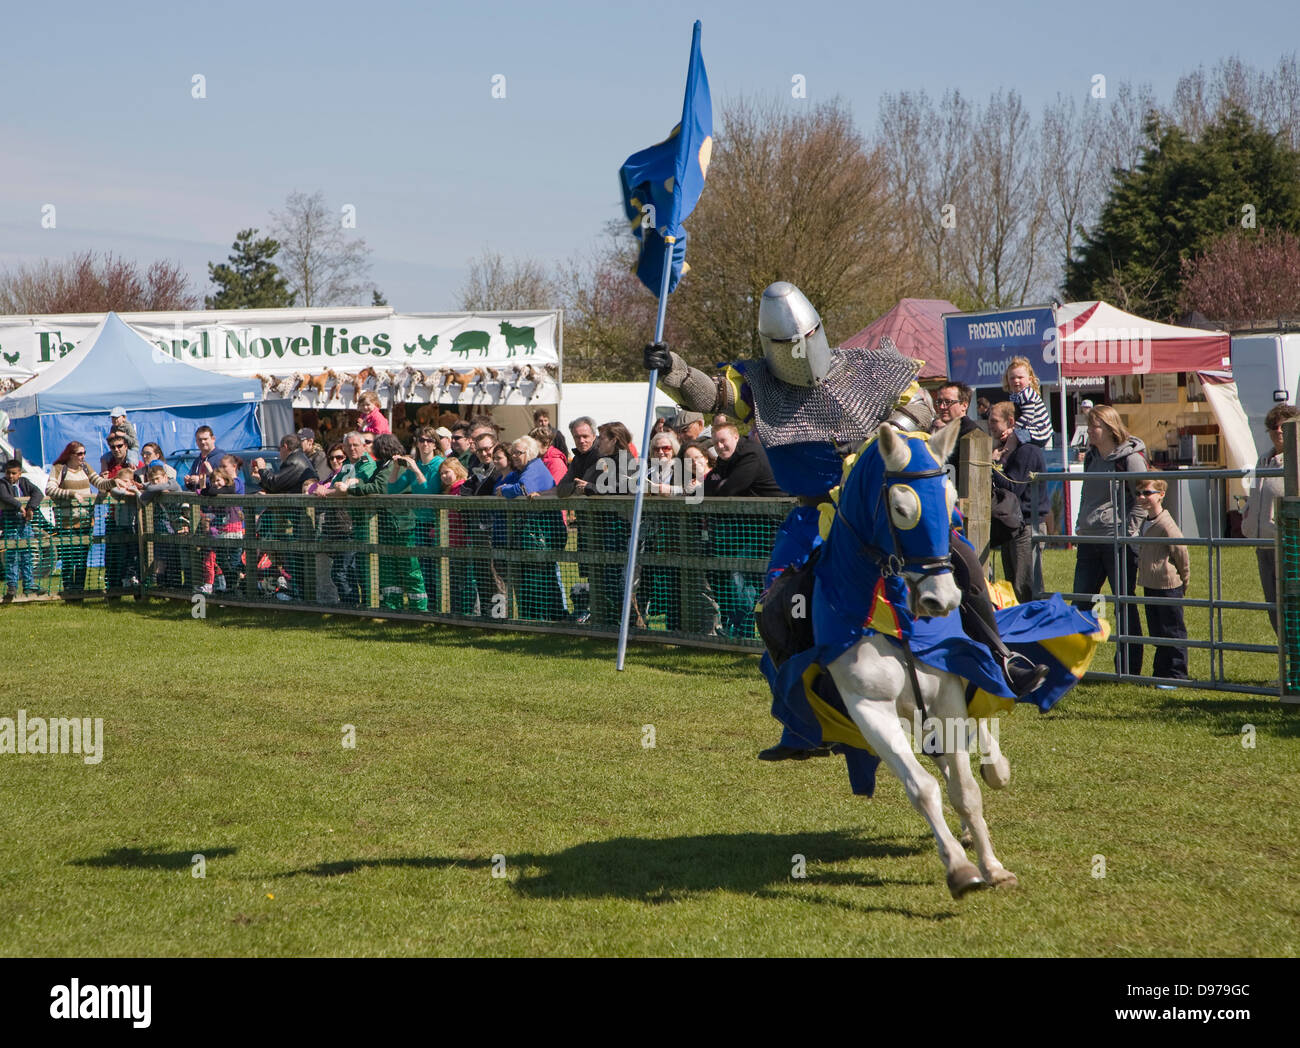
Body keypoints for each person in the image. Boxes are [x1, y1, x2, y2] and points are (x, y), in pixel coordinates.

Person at [1074, 404, 1148, 674]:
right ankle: (1075, 664)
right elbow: (1086, 492)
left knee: (1122, 604)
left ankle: (1128, 667)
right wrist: (1082, 521)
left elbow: (1143, 495)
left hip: (1117, 542)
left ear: (1109, 428)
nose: (1089, 431)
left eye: (1094, 426)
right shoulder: (1091, 456)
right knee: (1081, 601)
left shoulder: (1130, 458)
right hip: (1090, 540)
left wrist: (1128, 530)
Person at [334, 433, 427, 612]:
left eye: (370, 444)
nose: (368, 447)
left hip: (401, 524)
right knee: (387, 569)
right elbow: (370, 482)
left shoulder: (395, 466)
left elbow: (379, 487)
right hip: (388, 525)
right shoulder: (382, 466)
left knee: (409, 569)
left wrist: (351, 488)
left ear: (382, 447)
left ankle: (419, 610)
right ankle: (391, 607)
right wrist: (355, 482)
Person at [498, 435, 567, 621]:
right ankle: (535, 618)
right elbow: (502, 483)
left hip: (543, 536)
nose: (513, 456)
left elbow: (523, 489)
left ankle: (547, 618)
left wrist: (505, 490)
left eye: (517, 453)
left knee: (541, 580)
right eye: (512, 453)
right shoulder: (523, 469)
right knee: (532, 579)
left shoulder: (534, 468)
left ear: (529, 453)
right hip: (534, 536)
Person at [1243, 403, 1298, 634]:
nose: (1277, 432)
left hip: (1288, 545)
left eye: (1282, 427)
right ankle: (1288, 663)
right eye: (1272, 427)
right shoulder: (1262, 461)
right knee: (1273, 608)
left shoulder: (1295, 462)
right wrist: (1247, 513)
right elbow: (1255, 493)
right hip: (1263, 544)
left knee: (1292, 607)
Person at [989, 401, 1045, 604]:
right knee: (1012, 587)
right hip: (1010, 525)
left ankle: (1036, 634)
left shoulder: (1027, 451)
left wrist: (994, 464)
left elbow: (1013, 487)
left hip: (1027, 525)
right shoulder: (1006, 450)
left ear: (1010, 422)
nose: (990, 425)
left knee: (1026, 587)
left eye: (994, 421)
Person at [1136, 476, 1190, 684]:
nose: (1142, 497)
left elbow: (1181, 551)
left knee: (1173, 631)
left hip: (1168, 585)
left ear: (1161, 495)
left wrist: (1184, 579)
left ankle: (1177, 673)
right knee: (1157, 631)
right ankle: (1161, 672)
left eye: (1147, 493)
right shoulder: (1146, 521)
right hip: (1151, 584)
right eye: (1139, 493)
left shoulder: (1166, 524)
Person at [45, 441, 111, 598]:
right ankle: (69, 591)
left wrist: (114, 481)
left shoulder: (86, 467)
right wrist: (71, 494)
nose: (83, 456)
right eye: (79, 454)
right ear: (71, 454)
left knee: (82, 559)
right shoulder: (60, 468)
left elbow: (100, 483)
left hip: (86, 522)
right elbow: (50, 489)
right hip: (66, 523)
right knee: (68, 558)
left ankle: (79, 591)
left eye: (84, 453)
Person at [391, 425, 445, 611]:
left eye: (429, 440)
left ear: (435, 444)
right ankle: (427, 606)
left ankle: (439, 605)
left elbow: (428, 492)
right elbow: (392, 490)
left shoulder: (438, 463)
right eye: (421, 440)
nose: (424, 444)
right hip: (419, 523)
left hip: (435, 523)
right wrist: (396, 469)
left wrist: (416, 470)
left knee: (435, 567)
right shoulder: (418, 465)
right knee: (422, 566)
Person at [197, 454, 245, 594]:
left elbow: (212, 490)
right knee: (223, 559)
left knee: (234, 560)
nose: (222, 469)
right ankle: (232, 586)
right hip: (222, 530)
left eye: (224, 467)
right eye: (220, 467)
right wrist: (202, 485)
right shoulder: (221, 484)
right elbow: (209, 493)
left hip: (234, 529)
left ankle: (235, 586)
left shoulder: (236, 483)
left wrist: (206, 489)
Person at [1, 456, 44, 597]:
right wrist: (19, 506)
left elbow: (38, 493)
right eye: (8, 473)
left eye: (14, 473)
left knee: (27, 555)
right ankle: (12, 586)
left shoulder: (24, 482)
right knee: (12, 556)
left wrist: (30, 508)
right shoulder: (2, 483)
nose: (11, 476)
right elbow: (5, 496)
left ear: (20, 473)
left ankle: (29, 584)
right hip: (10, 524)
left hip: (25, 524)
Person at [932, 381, 980, 478]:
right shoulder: (946, 433)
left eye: (948, 402)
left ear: (964, 405)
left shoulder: (971, 434)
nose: (942, 407)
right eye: (939, 402)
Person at [1002, 356, 1052, 448]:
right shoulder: (1015, 395)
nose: (1016, 381)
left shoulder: (1026, 394)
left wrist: (1013, 429)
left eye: (1020, 377)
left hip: (1039, 432)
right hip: (1030, 430)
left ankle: (1004, 456)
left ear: (1030, 380)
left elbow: (1028, 416)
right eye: (1012, 378)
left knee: (1013, 436)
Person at [184, 426, 224, 491]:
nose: (202, 442)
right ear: (196, 441)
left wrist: (201, 481)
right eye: (199, 440)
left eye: (205, 439)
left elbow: (225, 482)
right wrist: (189, 482)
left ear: (213, 439)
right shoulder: (197, 460)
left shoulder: (221, 458)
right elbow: (196, 487)